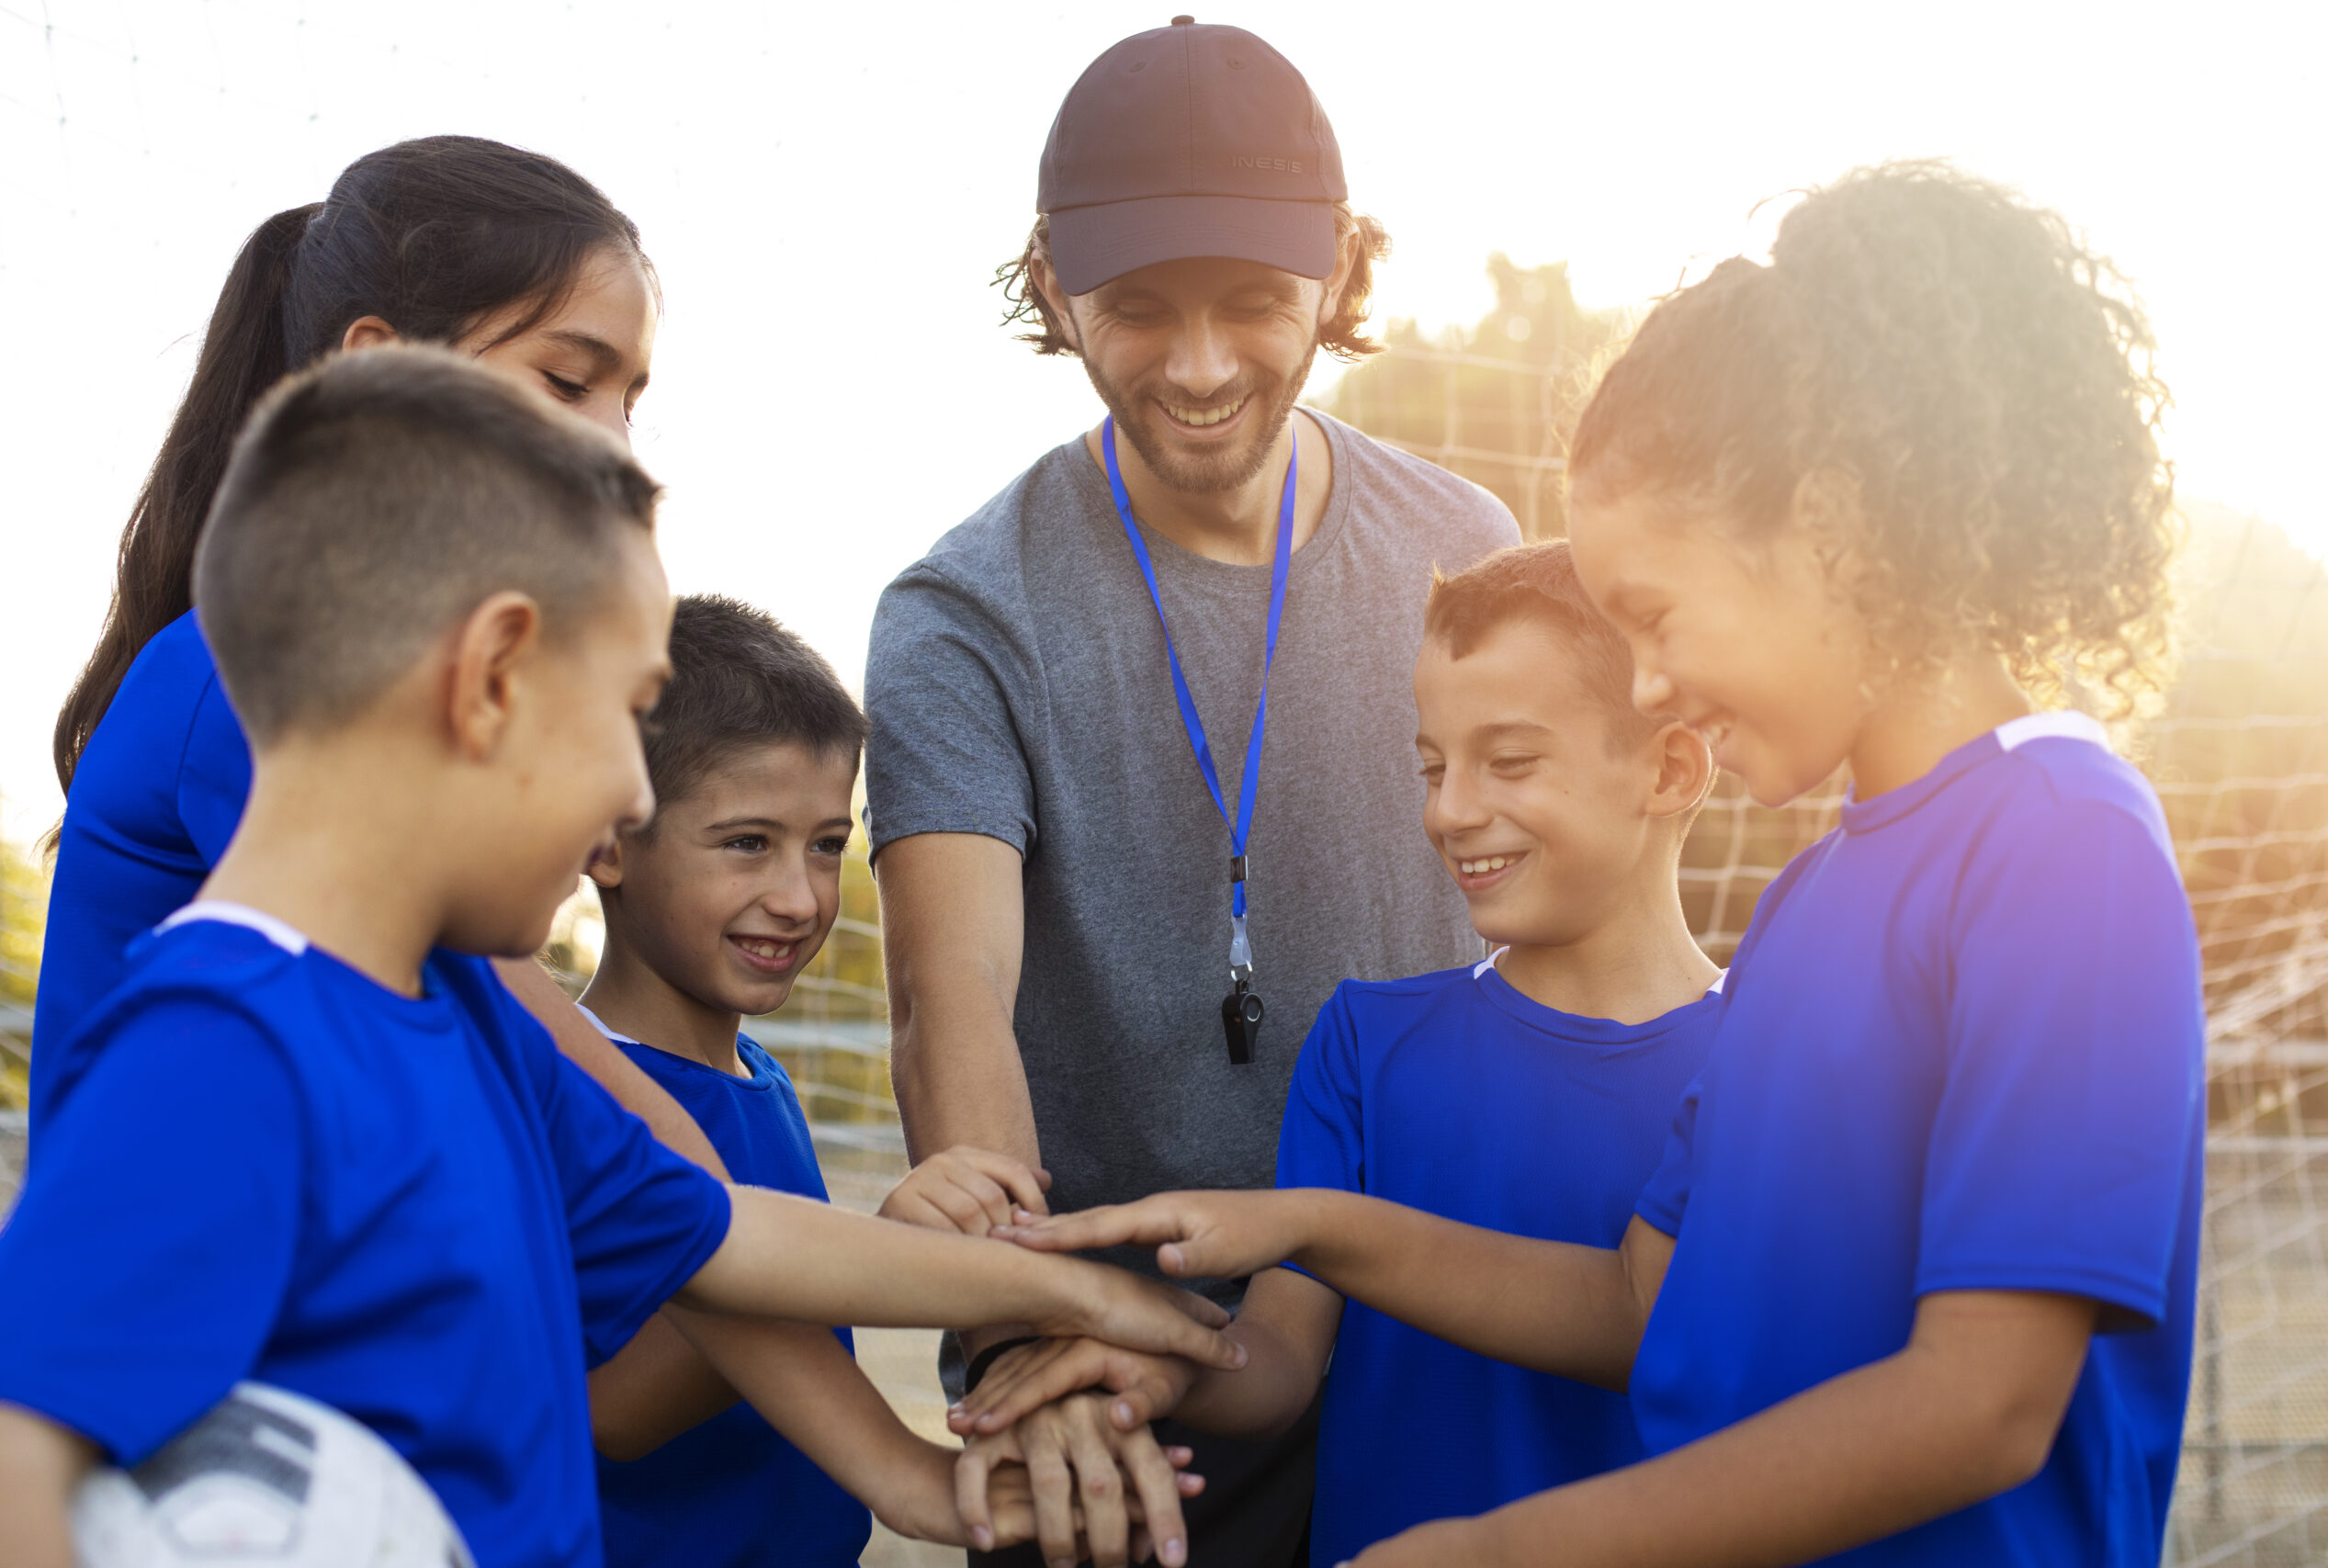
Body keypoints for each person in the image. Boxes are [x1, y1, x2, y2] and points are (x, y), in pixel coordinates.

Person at [989, 161, 2205, 1567]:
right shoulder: (1811, 900)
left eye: (1656, 615)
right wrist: (1284, 1234)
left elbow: (1983, 1404)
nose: (1648, 683)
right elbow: (1641, 1303)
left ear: (1831, 528)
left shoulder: (2061, 843)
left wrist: (1501, 1550)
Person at [0, 348, 1243, 1568]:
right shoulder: (217, 1047)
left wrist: (1065, 1312)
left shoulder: (472, 1022)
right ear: (491, 680)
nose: (629, 797)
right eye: (626, 713)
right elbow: (23, 1459)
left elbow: (728, 1238)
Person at [863, 21, 1518, 1564]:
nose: (1204, 365)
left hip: (1438, 1351)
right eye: (1143, 308)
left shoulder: (1466, 550)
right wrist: (1030, 1332)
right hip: (1108, 1404)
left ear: (1339, 273)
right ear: (1052, 285)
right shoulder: (960, 614)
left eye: (1255, 304)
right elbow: (951, 996)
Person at [950, 543, 1722, 1568]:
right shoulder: (1366, 1041)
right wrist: (1166, 1361)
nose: (1448, 810)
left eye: (1510, 762)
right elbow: (1278, 1353)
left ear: (1670, 770)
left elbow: (1677, 1337)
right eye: (1433, 767)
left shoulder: (1771, 1063)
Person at [33, 133, 721, 1175]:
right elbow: (577, 1099)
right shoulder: (249, 676)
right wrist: (716, 1194)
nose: (618, 445)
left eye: (630, 402)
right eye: (568, 382)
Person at [582, 595, 1205, 1568]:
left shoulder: (761, 1080)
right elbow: (607, 1410)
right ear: (609, 841)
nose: (800, 898)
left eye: (827, 845)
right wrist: (878, 1255)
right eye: (747, 842)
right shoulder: (564, 1094)